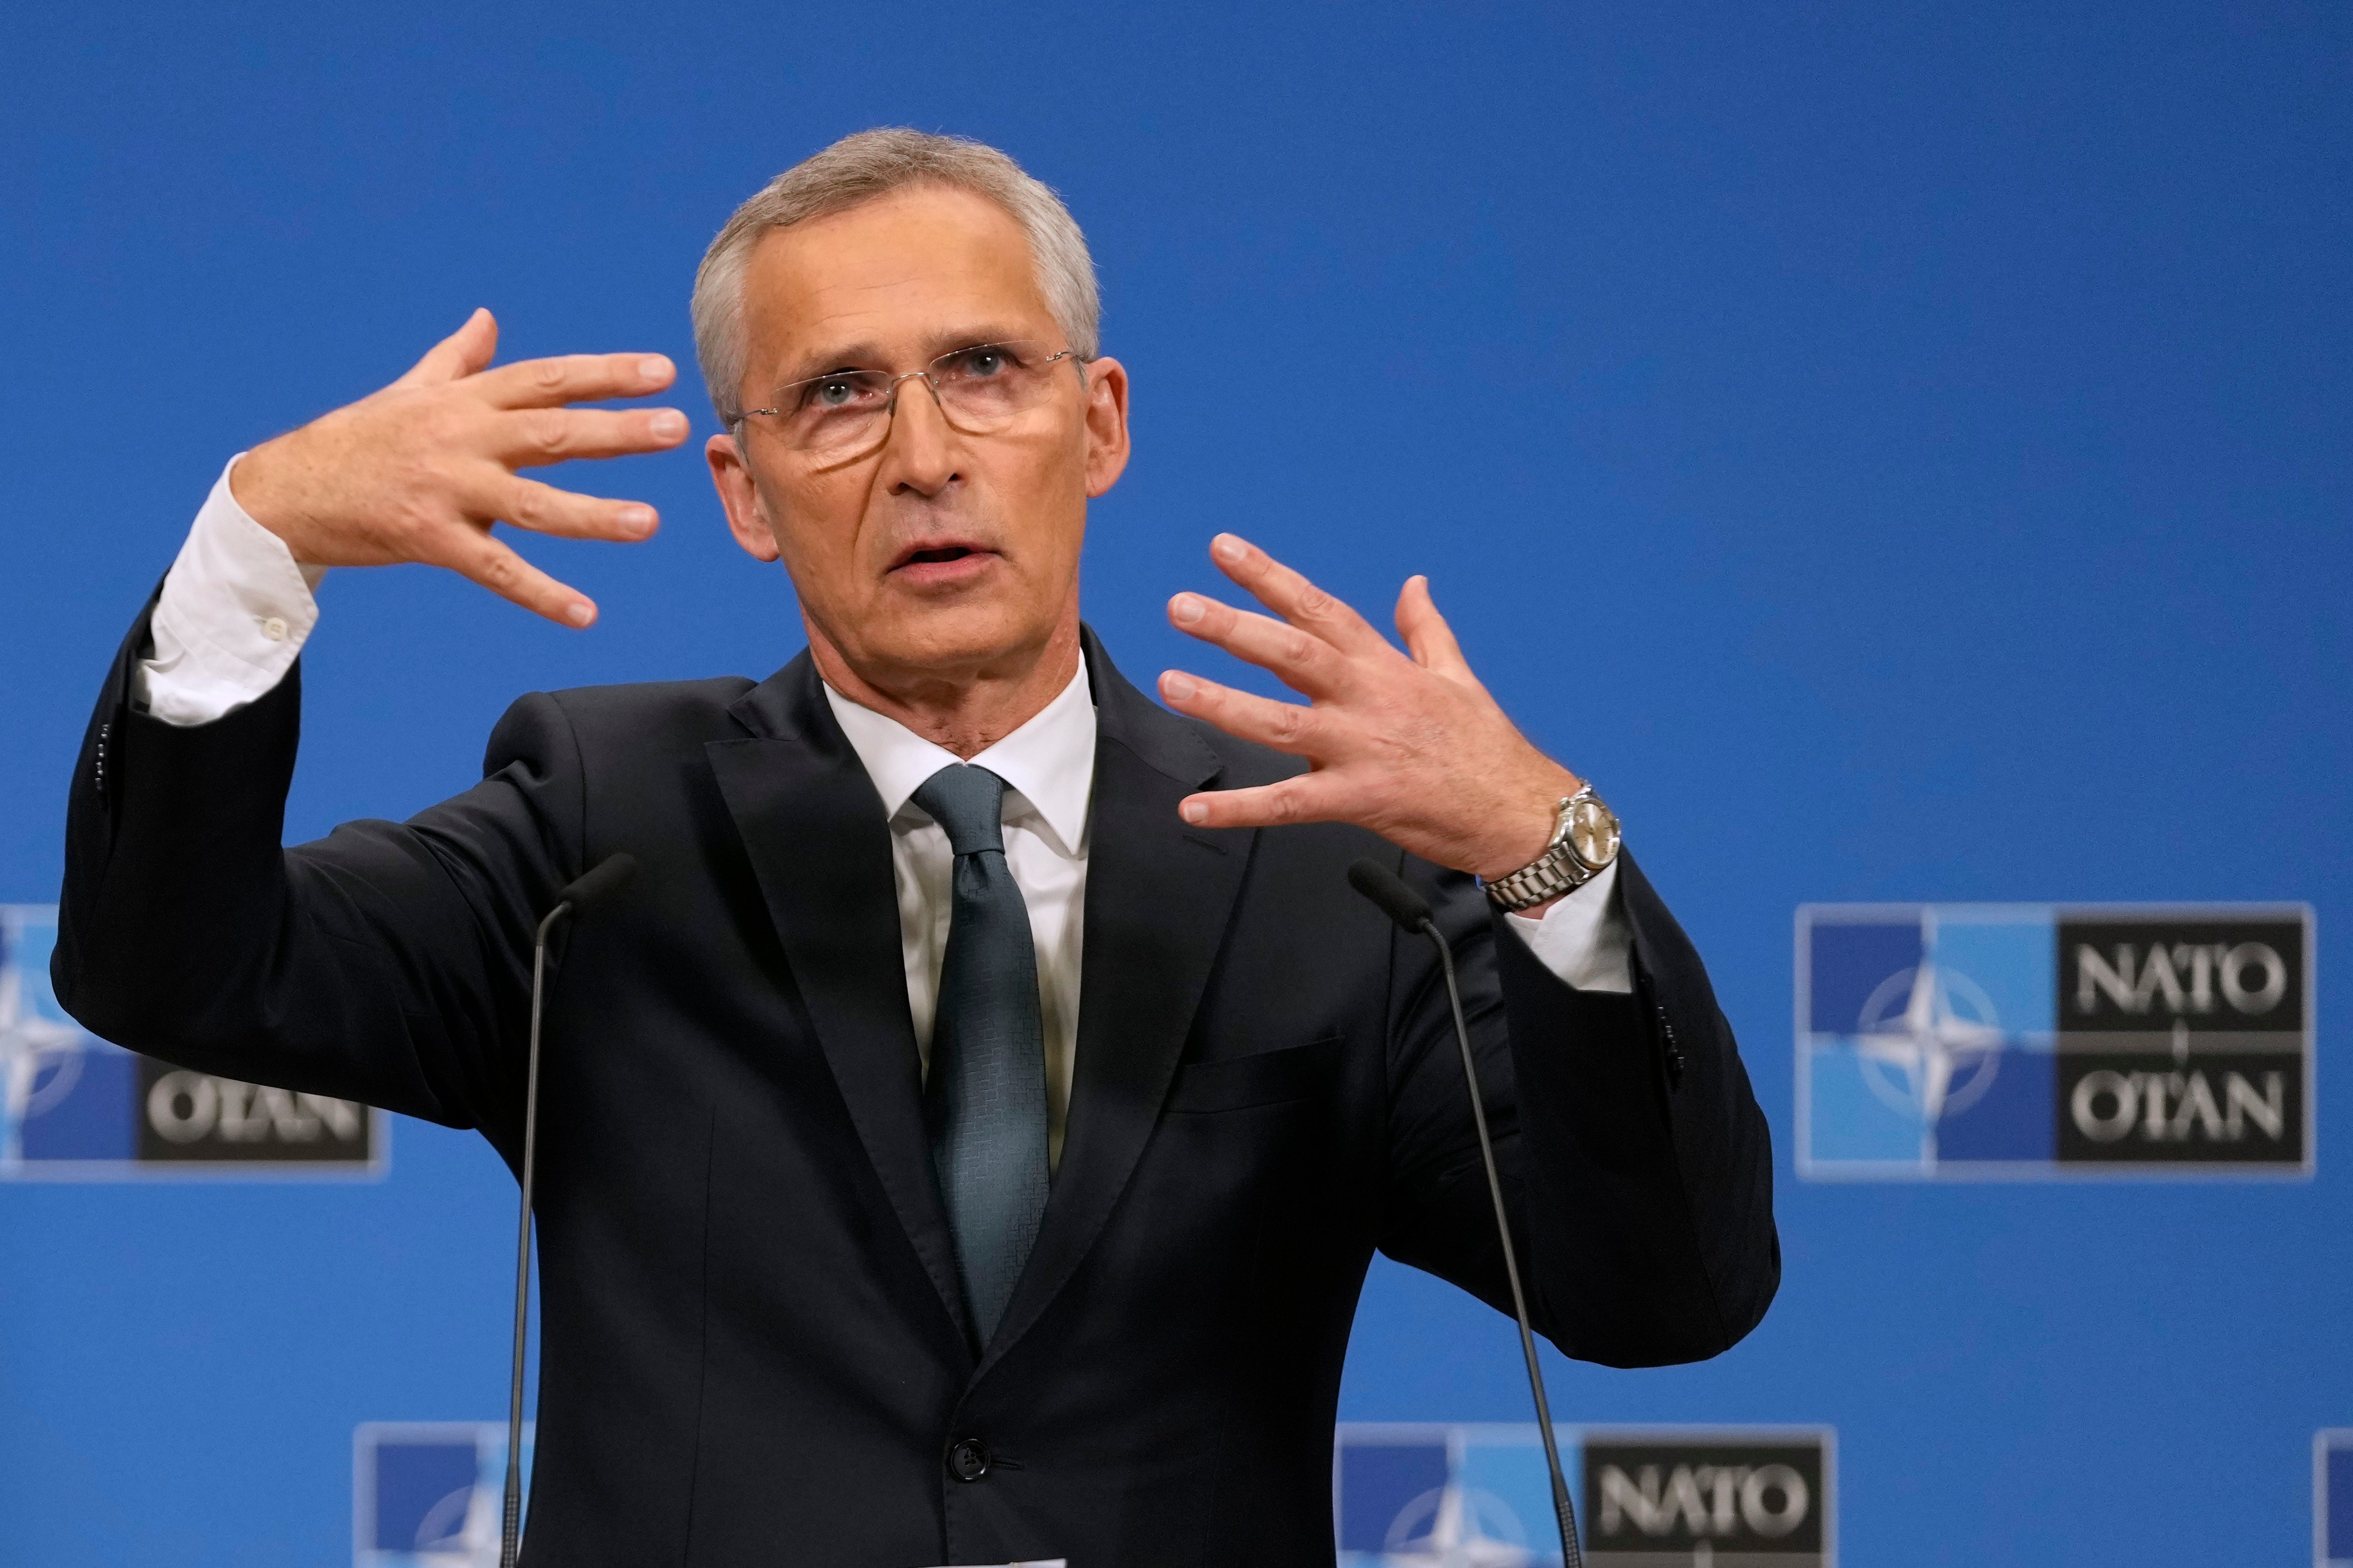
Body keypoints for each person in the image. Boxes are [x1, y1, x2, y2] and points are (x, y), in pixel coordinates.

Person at [55, 129, 1777, 1566]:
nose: (926, 456)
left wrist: (1549, 854)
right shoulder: (602, 834)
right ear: (744, 491)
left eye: (983, 371)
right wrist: (257, 541)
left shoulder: (1326, 866)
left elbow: (1664, 1295)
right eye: (838, 397)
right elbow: (177, 965)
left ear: (1096, 423)